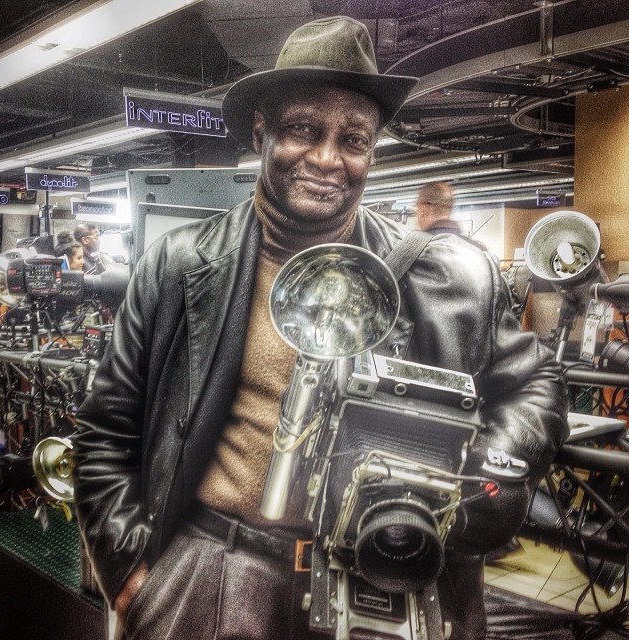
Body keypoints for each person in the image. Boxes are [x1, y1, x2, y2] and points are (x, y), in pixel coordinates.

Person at [73, 16, 568, 640]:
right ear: (262, 132)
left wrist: (489, 464)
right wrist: (128, 574)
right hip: (215, 571)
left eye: (353, 140)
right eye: (303, 130)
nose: (328, 159)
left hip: (385, 577)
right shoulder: (179, 265)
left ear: (371, 151)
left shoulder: (449, 278)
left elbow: (536, 385)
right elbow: (105, 428)